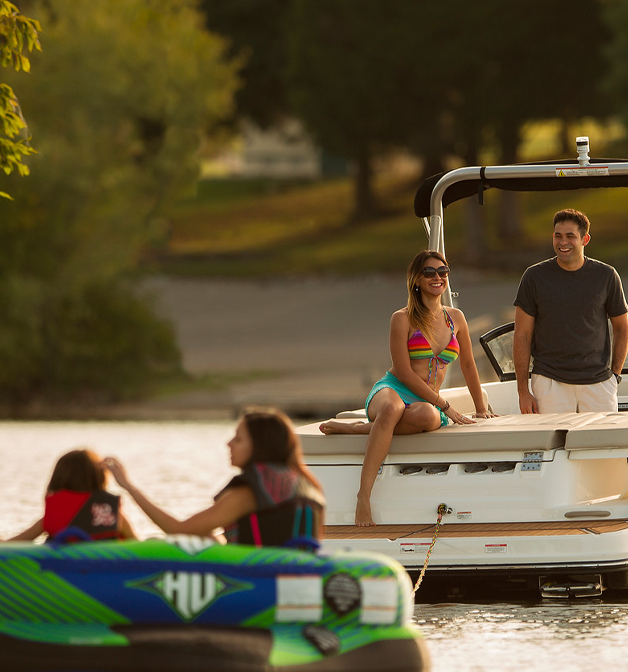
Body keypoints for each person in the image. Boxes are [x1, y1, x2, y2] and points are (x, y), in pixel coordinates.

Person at [320, 250, 493, 527]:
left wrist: (481, 408)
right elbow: (403, 373)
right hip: (395, 388)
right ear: (416, 280)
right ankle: (364, 496)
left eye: (443, 271)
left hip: (426, 400)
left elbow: (469, 365)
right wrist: (446, 406)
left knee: (428, 416)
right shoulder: (402, 319)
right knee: (392, 408)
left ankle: (358, 428)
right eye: (429, 272)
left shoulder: (456, 318)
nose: (437, 277)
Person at [109, 407, 326, 548]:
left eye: (238, 439)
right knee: (207, 537)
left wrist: (128, 486)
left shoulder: (249, 492)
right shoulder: (307, 483)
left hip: (260, 581)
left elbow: (178, 529)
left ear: (260, 446)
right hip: (300, 574)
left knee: (173, 542)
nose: (228, 444)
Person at [513, 208, 628, 414]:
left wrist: (615, 376)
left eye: (570, 236)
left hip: (599, 385)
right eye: (558, 236)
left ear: (585, 239)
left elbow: (622, 328)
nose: (563, 242)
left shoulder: (607, 276)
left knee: (601, 436)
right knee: (551, 437)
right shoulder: (534, 277)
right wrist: (523, 391)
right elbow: (522, 335)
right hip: (549, 384)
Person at [7, 449, 137, 542]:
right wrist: (127, 484)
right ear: (98, 478)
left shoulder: (54, 514)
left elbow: (12, 544)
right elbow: (138, 546)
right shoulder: (112, 513)